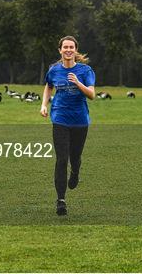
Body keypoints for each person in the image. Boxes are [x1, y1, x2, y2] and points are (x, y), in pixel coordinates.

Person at [40, 36, 95, 216]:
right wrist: (44, 105)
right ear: (60, 50)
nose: (68, 50)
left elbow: (92, 95)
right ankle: (61, 200)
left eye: (71, 47)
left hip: (79, 121)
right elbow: (48, 86)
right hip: (60, 119)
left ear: (76, 50)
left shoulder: (85, 71)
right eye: (65, 47)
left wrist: (78, 83)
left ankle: (76, 172)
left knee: (75, 157)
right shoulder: (54, 70)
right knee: (61, 159)